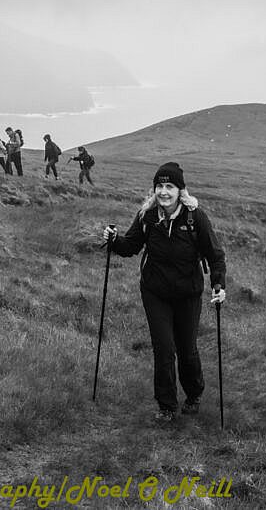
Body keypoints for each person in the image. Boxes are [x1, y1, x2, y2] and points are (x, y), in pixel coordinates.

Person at [103, 162, 226, 422]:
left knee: (187, 348)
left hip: (188, 293)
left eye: (169, 186)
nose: (163, 191)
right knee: (164, 347)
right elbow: (130, 246)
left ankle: (193, 394)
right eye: (159, 186)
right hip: (155, 291)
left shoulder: (195, 218)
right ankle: (167, 406)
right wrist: (113, 240)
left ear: (180, 190)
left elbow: (215, 255)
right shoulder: (147, 216)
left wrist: (218, 284)